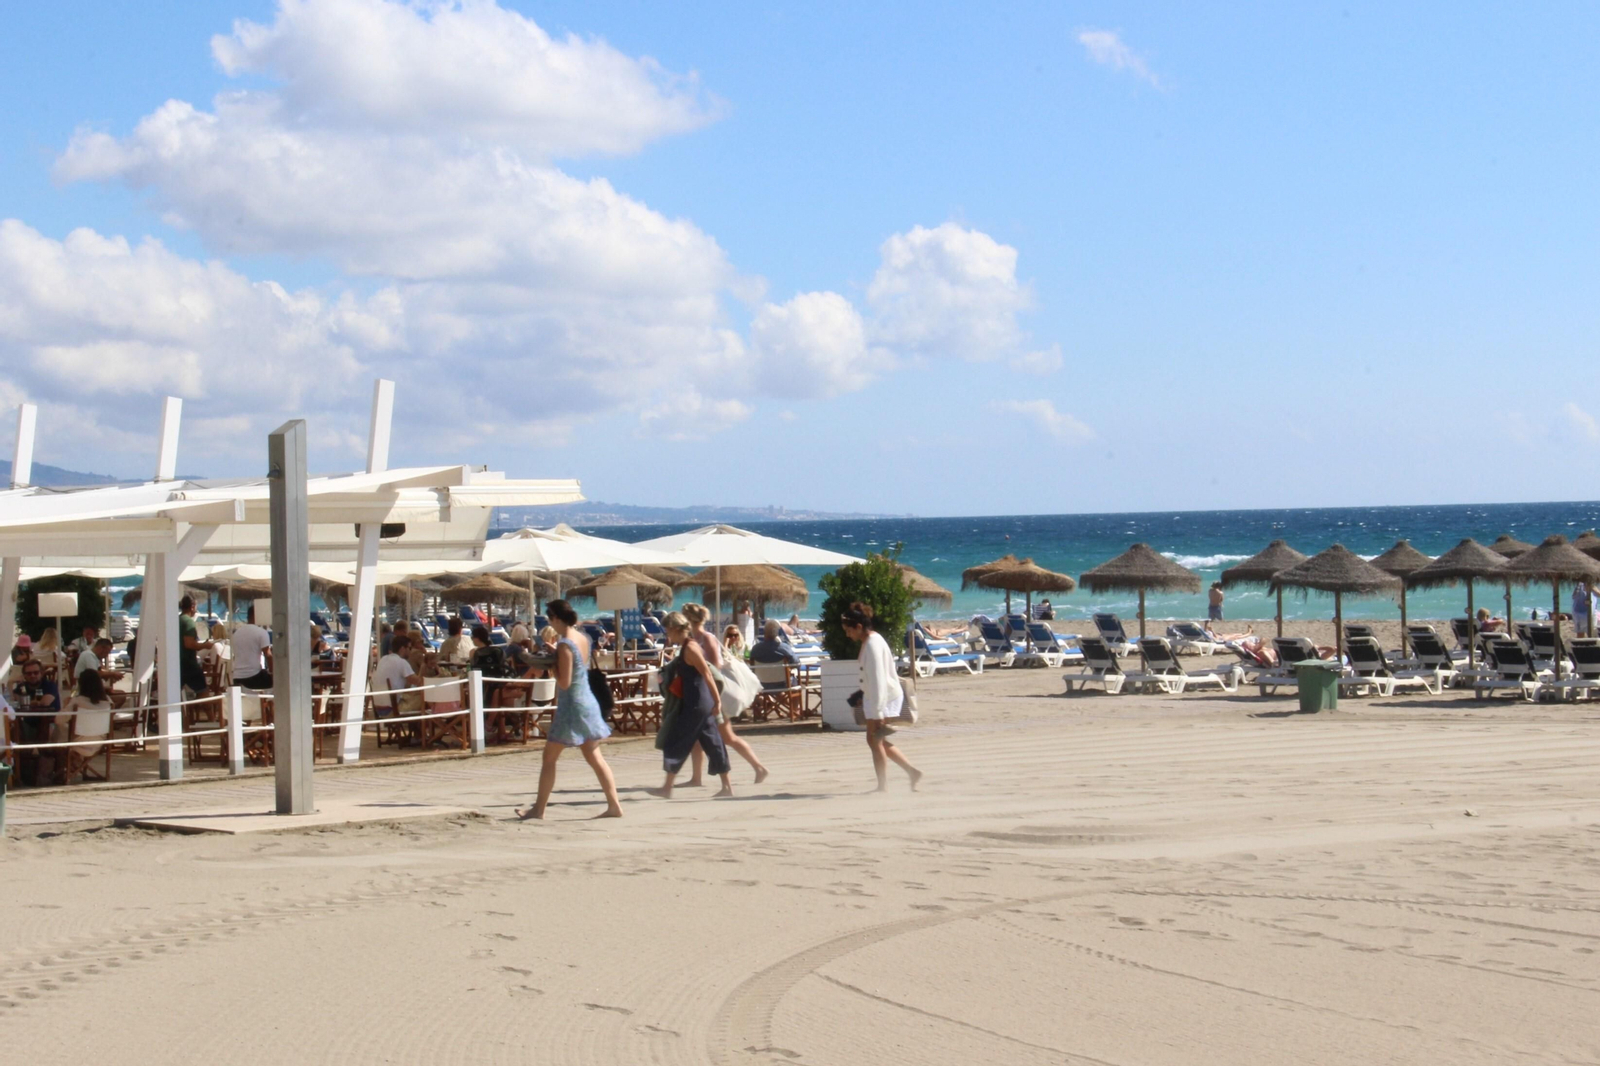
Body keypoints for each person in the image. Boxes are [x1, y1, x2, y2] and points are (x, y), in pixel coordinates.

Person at [515, 600, 622, 820]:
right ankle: (614, 806)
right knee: (594, 756)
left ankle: (539, 810)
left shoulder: (564, 644)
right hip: (587, 701)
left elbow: (564, 682)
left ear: (555, 618)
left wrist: (549, 664)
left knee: (549, 758)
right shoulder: (582, 637)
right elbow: (578, 666)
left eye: (549, 618)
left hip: (572, 705)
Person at [646, 611, 732, 800]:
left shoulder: (690, 649)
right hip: (700, 702)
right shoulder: (686, 647)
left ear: (676, 629)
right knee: (713, 743)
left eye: (668, 631)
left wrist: (717, 700)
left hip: (695, 703)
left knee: (675, 741)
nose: (667, 635)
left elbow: (707, 674)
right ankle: (727, 787)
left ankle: (667, 787)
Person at [840, 602, 922, 793]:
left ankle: (884, 785)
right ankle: (911, 772)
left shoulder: (872, 645)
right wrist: (862, 694)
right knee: (876, 740)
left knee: (874, 740)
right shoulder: (870, 641)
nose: (847, 634)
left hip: (883, 697)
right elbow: (873, 678)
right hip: (878, 696)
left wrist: (878, 712)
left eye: (848, 630)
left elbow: (878, 679)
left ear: (859, 627)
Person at [57, 668, 112, 780]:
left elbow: (58, 720)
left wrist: (65, 705)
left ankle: (69, 764)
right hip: (100, 741)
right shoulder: (108, 702)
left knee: (58, 729)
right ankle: (76, 764)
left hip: (78, 742)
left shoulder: (78, 701)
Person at [230, 604, 274, 690]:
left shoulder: (236, 634)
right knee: (280, 680)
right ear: (257, 615)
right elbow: (268, 655)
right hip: (254, 677)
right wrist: (273, 673)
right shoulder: (261, 632)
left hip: (237, 677)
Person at [177, 595, 212, 696]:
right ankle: (207, 711)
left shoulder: (177, 620)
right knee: (203, 692)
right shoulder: (188, 622)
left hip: (177, 664)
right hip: (189, 665)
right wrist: (205, 645)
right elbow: (189, 644)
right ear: (192, 606)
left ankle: (193, 710)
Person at [750, 620, 800, 688]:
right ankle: (786, 698)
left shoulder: (755, 649)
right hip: (782, 684)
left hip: (761, 684)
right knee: (794, 680)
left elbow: (752, 666)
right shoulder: (784, 648)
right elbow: (796, 663)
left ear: (765, 633)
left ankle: (767, 698)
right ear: (777, 634)